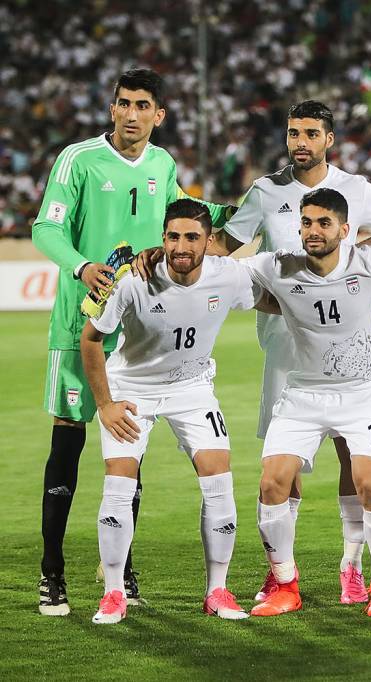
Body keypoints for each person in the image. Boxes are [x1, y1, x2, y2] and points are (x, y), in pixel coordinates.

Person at [32, 68, 233, 615]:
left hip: (141, 327)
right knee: (68, 441)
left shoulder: (162, 164)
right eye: (123, 103)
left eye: (143, 105)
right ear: (112, 108)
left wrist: (249, 204)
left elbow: (186, 213)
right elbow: (45, 229)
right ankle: (53, 569)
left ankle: (117, 567)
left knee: (129, 447)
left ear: (158, 115)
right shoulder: (78, 159)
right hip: (81, 325)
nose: (131, 114)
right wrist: (82, 267)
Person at [212, 100, 371, 605]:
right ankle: (281, 575)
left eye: (311, 133)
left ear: (329, 139)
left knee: (354, 460)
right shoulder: (266, 192)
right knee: (281, 471)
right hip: (284, 350)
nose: (301, 142)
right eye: (294, 132)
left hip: (348, 351)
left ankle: (353, 567)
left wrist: (358, 276)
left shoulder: (356, 190)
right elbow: (223, 250)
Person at [81, 199, 261, 624]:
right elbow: (91, 340)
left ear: (210, 241)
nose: (182, 246)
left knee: (218, 476)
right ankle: (113, 593)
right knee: (118, 483)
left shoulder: (229, 275)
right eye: (174, 236)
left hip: (193, 388)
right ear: (161, 240)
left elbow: (272, 291)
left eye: (192, 237)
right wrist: (104, 405)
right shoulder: (133, 281)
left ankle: (217, 590)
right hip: (132, 390)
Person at [244, 188, 371, 618]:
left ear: (345, 230)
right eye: (306, 222)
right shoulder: (279, 266)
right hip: (303, 393)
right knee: (271, 482)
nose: (312, 231)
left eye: (323, 223)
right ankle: (285, 586)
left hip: (364, 393)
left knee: (370, 481)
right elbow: (223, 273)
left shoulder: (370, 261)